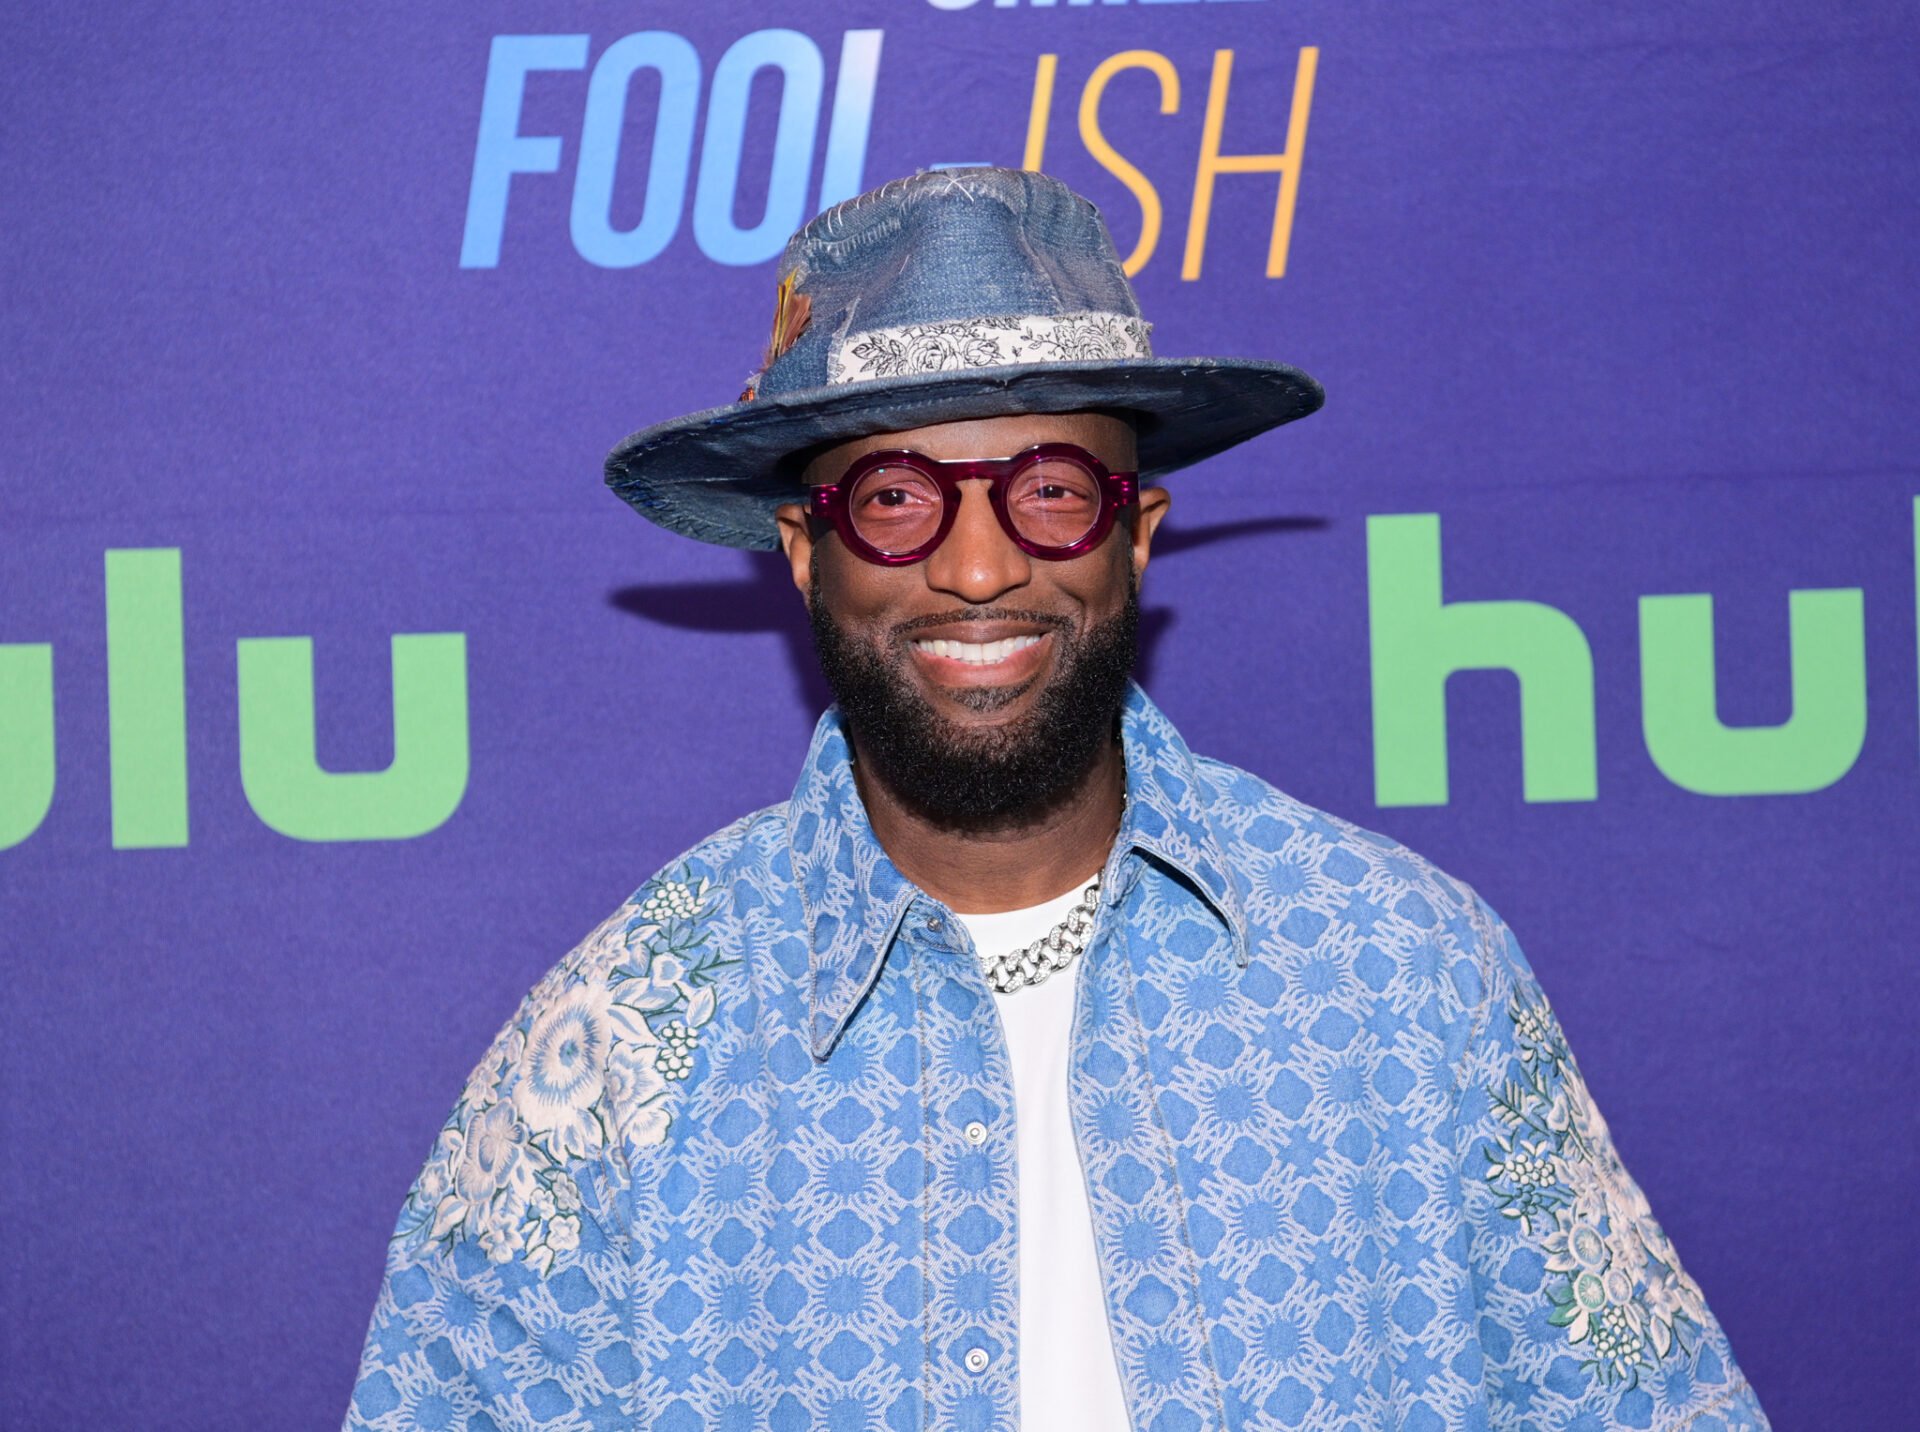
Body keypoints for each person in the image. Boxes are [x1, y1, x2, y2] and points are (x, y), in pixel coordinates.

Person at [343, 168, 1769, 1432]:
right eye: (895, 498)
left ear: (1135, 535)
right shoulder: (616, 1053)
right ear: (805, 551)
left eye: (1051, 492)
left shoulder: (1406, 975)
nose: (978, 570)